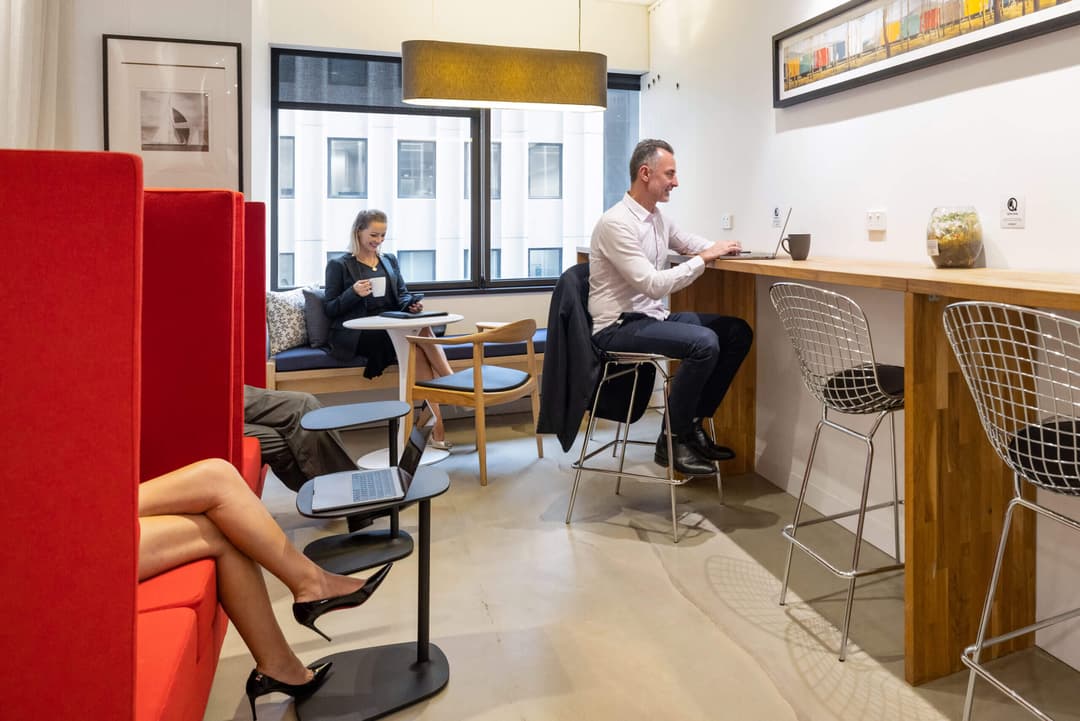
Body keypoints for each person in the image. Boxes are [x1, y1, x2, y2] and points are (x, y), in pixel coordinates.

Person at [139, 458, 392, 720]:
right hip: (97, 539)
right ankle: (310, 590)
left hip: (102, 505)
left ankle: (281, 657)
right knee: (221, 525)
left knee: (218, 476)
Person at [588, 138, 753, 477]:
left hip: (651, 317)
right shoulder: (616, 223)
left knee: (736, 332)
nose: (676, 182)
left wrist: (721, 247)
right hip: (617, 327)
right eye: (670, 174)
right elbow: (652, 284)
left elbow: (687, 242)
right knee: (703, 344)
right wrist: (704, 260)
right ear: (645, 174)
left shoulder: (657, 218)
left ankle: (691, 425)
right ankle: (671, 439)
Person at [324, 208, 454, 449]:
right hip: (361, 334)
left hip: (392, 327)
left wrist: (411, 305)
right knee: (418, 337)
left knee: (420, 334)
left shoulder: (389, 260)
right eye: (374, 235)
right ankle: (452, 385)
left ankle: (437, 426)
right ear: (358, 231)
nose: (378, 241)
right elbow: (330, 309)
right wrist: (353, 293)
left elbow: (401, 295)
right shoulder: (339, 265)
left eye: (383, 236)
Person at [243, 385, 357, 492]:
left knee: (305, 403)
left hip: (228, 388)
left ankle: (347, 492)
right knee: (282, 445)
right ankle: (345, 494)